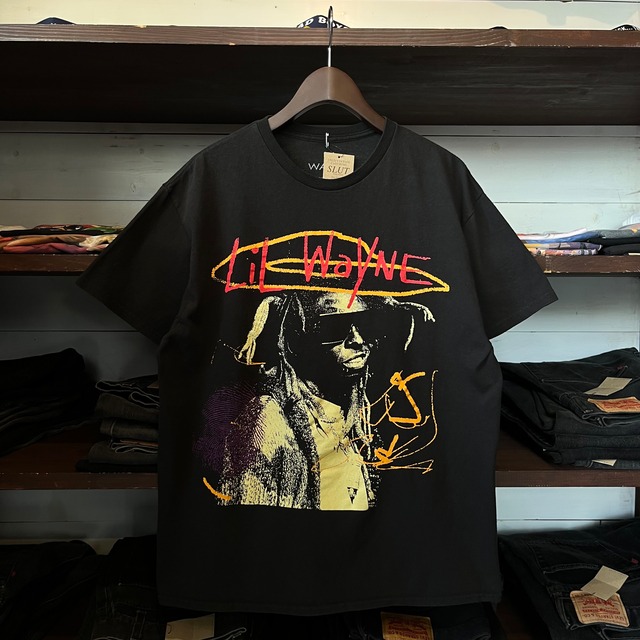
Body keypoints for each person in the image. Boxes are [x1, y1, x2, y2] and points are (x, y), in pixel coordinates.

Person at [198, 290, 434, 510]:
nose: (357, 339)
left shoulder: (357, 424)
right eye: (336, 326)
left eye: (365, 324)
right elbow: (251, 522)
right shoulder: (268, 419)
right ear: (298, 339)